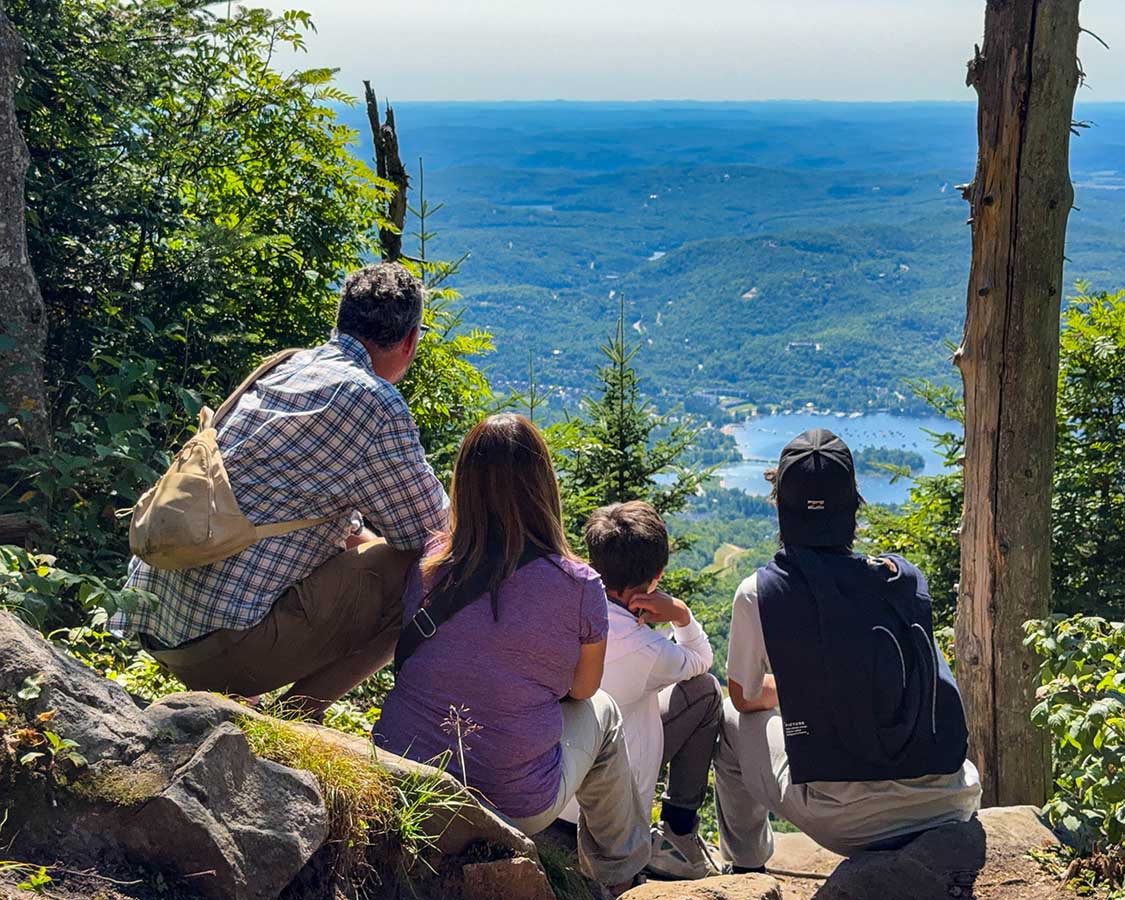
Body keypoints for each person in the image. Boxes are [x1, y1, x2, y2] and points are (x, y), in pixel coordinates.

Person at [113, 262, 448, 717]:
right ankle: (292, 722)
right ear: (409, 341)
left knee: (370, 550)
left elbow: (303, 514)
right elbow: (435, 535)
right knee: (425, 576)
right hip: (221, 649)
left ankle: (245, 700)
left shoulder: (286, 366)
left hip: (156, 619)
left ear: (340, 320)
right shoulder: (374, 401)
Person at [373, 415, 650, 896]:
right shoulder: (579, 585)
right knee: (602, 712)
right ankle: (618, 877)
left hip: (400, 773)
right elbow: (582, 691)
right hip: (512, 803)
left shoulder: (431, 561)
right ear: (543, 485)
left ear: (464, 484)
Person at [714, 428, 981, 872]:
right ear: (853, 506)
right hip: (951, 801)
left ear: (779, 504)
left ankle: (745, 866)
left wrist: (801, 690)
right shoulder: (904, 580)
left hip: (850, 822)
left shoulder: (760, 592)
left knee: (729, 717)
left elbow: (744, 696)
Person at [558, 500, 723, 881]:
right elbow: (700, 659)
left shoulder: (564, 606)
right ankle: (677, 835)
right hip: (614, 801)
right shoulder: (647, 650)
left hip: (555, 785)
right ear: (657, 575)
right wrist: (681, 613)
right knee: (706, 692)